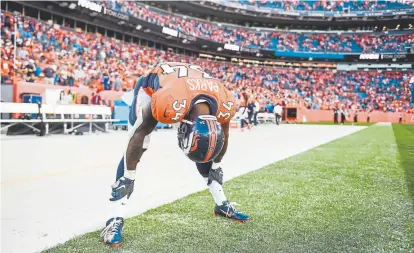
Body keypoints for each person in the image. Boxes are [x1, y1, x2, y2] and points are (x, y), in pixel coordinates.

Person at [101, 62, 249, 247]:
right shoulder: (168, 101)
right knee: (138, 146)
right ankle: (114, 220)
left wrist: (216, 166)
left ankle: (221, 204)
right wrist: (128, 177)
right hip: (156, 88)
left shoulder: (225, 103)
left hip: (186, 89)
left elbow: (223, 137)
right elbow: (139, 135)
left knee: (207, 151)